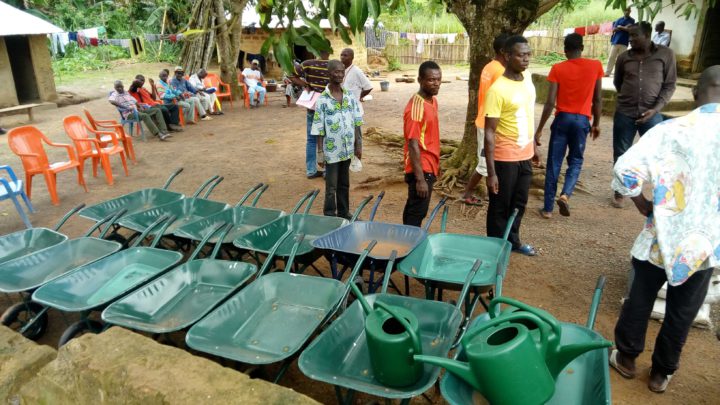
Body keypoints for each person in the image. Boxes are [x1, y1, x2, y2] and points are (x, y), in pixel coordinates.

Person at [608, 65, 720, 394]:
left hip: (661, 237)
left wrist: (641, 203)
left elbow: (625, 170)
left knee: (640, 298)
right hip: (704, 244)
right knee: (683, 310)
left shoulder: (670, 130)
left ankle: (626, 358)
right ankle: (660, 374)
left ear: (696, 94)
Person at [534, 33, 603, 218]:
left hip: (562, 119)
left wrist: (539, 129)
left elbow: (549, 103)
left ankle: (548, 209)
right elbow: (597, 99)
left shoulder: (557, 68)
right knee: (576, 160)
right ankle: (565, 195)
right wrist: (596, 124)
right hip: (582, 121)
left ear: (565, 51)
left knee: (554, 163)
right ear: (582, 47)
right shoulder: (595, 66)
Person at [612, 21, 677, 208]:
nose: (630, 40)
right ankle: (621, 190)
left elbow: (669, 84)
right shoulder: (624, 57)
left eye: (635, 36)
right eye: (630, 36)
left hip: (652, 113)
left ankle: (661, 192)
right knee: (621, 153)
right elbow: (618, 82)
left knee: (656, 154)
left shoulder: (666, 55)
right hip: (625, 112)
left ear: (647, 37)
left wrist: (655, 109)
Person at [484, 35, 537, 256]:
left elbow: (526, 114)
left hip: (525, 155)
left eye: (528, 54)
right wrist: (491, 172)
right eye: (520, 55)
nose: (525, 59)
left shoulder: (527, 80)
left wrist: (534, 147)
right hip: (504, 158)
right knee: (500, 206)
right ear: (507, 56)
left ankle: (512, 242)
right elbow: (489, 131)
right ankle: (494, 247)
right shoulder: (497, 89)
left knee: (519, 203)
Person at [460, 33, 509, 206]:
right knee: (484, 163)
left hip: (484, 119)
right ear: (504, 51)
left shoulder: (489, 66)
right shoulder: (501, 71)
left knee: (491, 160)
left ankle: (491, 193)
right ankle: (467, 192)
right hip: (488, 122)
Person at [310, 60, 363, 219]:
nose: (340, 75)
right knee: (331, 186)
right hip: (332, 151)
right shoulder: (323, 100)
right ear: (329, 73)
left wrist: (358, 144)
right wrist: (320, 152)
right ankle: (329, 215)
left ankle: (344, 212)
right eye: (336, 72)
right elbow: (319, 128)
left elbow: (357, 121)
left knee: (344, 184)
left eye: (342, 72)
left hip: (347, 149)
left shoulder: (349, 96)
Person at [402, 61, 442, 227]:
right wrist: (420, 180)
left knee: (415, 208)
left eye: (439, 79)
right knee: (417, 211)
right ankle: (408, 248)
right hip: (421, 167)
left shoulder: (432, 101)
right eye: (431, 80)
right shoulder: (416, 107)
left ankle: (407, 243)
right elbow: (413, 143)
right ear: (420, 80)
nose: (436, 83)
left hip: (429, 165)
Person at [291, 51, 331, 179]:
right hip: (330, 105)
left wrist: (306, 85)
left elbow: (291, 76)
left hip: (313, 106)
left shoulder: (307, 64)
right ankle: (327, 170)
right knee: (328, 138)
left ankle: (311, 170)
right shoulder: (334, 65)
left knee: (311, 139)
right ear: (329, 50)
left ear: (315, 51)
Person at [340, 48, 373, 114]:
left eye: (345, 55)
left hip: (354, 110)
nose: (342, 57)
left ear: (352, 57)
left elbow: (369, 87)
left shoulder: (357, 71)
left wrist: (359, 97)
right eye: (341, 55)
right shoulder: (340, 70)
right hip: (343, 109)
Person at [605, 7, 635, 77]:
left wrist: (620, 27)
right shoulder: (619, 19)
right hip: (615, 41)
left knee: (621, 59)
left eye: (628, 10)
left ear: (630, 11)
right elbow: (614, 29)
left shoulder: (632, 20)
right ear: (623, 11)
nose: (627, 12)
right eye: (625, 10)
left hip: (624, 42)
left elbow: (629, 29)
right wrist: (624, 27)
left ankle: (619, 74)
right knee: (611, 57)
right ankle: (607, 72)